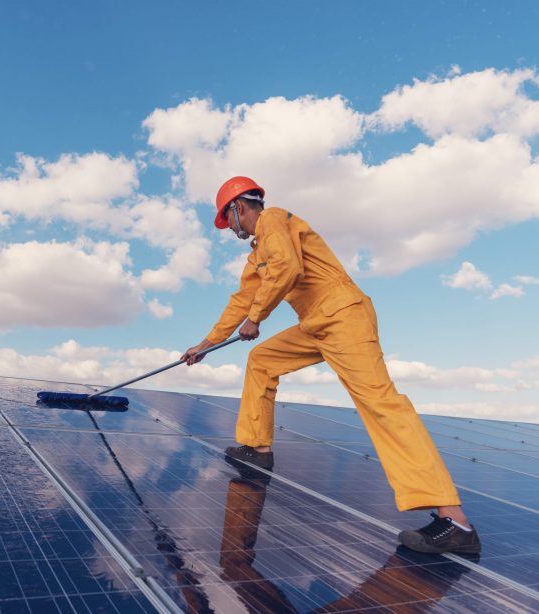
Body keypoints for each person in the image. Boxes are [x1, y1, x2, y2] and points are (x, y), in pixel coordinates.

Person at [182, 176, 481, 555]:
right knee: (262, 359)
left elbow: (286, 268)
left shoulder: (274, 219)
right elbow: (242, 300)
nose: (231, 231)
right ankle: (257, 448)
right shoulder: (257, 254)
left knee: (381, 404)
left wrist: (257, 317)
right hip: (316, 324)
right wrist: (205, 345)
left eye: (229, 223)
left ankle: (455, 522)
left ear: (237, 208)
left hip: (343, 315)